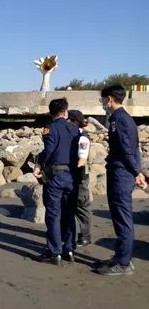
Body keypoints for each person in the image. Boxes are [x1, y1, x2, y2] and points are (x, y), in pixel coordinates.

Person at [94, 85, 147, 276]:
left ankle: (124, 262)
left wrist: (136, 172)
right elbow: (134, 148)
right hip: (124, 172)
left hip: (121, 174)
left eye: (103, 99)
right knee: (120, 217)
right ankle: (121, 256)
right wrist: (137, 171)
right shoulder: (125, 118)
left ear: (109, 99)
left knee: (122, 218)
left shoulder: (118, 119)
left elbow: (126, 149)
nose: (102, 103)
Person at [33, 98, 80, 265]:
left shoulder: (50, 129)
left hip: (55, 176)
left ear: (50, 113)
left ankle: (55, 252)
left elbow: (49, 150)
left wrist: (39, 164)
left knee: (53, 214)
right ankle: (69, 248)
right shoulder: (75, 129)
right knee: (69, 214)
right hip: (73, 176)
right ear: (65, 112)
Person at [67, 110, 92, 246]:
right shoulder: (73, 135)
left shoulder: (82, 137)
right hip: (72, 175)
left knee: (82, 206)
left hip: (80, 176)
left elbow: (82, 158)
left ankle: (85, 235)